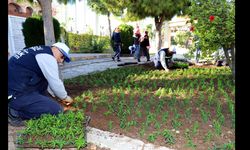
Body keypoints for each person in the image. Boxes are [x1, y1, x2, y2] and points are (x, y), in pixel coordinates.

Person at [8, 42, 74, 126]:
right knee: (56, 110)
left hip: (18, 86)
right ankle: (14, 113)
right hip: (16, 94)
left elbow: (49, 80)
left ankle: (29, 103)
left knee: (43, 80)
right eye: (62, 57)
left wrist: (54, 95)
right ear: (55, 49)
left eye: (64, 59)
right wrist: (65, 97)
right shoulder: (47, 57)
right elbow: (55, 82)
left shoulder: (40, 51)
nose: (61, 61)